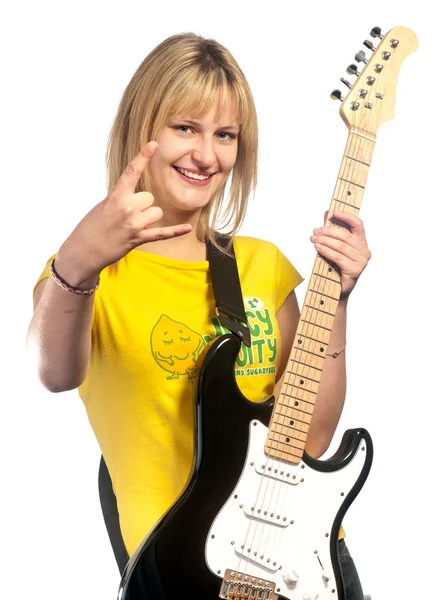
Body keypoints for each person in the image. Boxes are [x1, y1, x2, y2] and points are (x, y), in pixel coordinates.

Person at [27, 32, 371, 599]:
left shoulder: (262, 265)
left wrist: (335, 300)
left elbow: (309, 439)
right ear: (144, 130)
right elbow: (53, 373)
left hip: (302, 569)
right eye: (185, 127)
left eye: (225, 135)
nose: (206, 155)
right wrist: (76, 260)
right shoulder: (88, 278)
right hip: (181, 573)